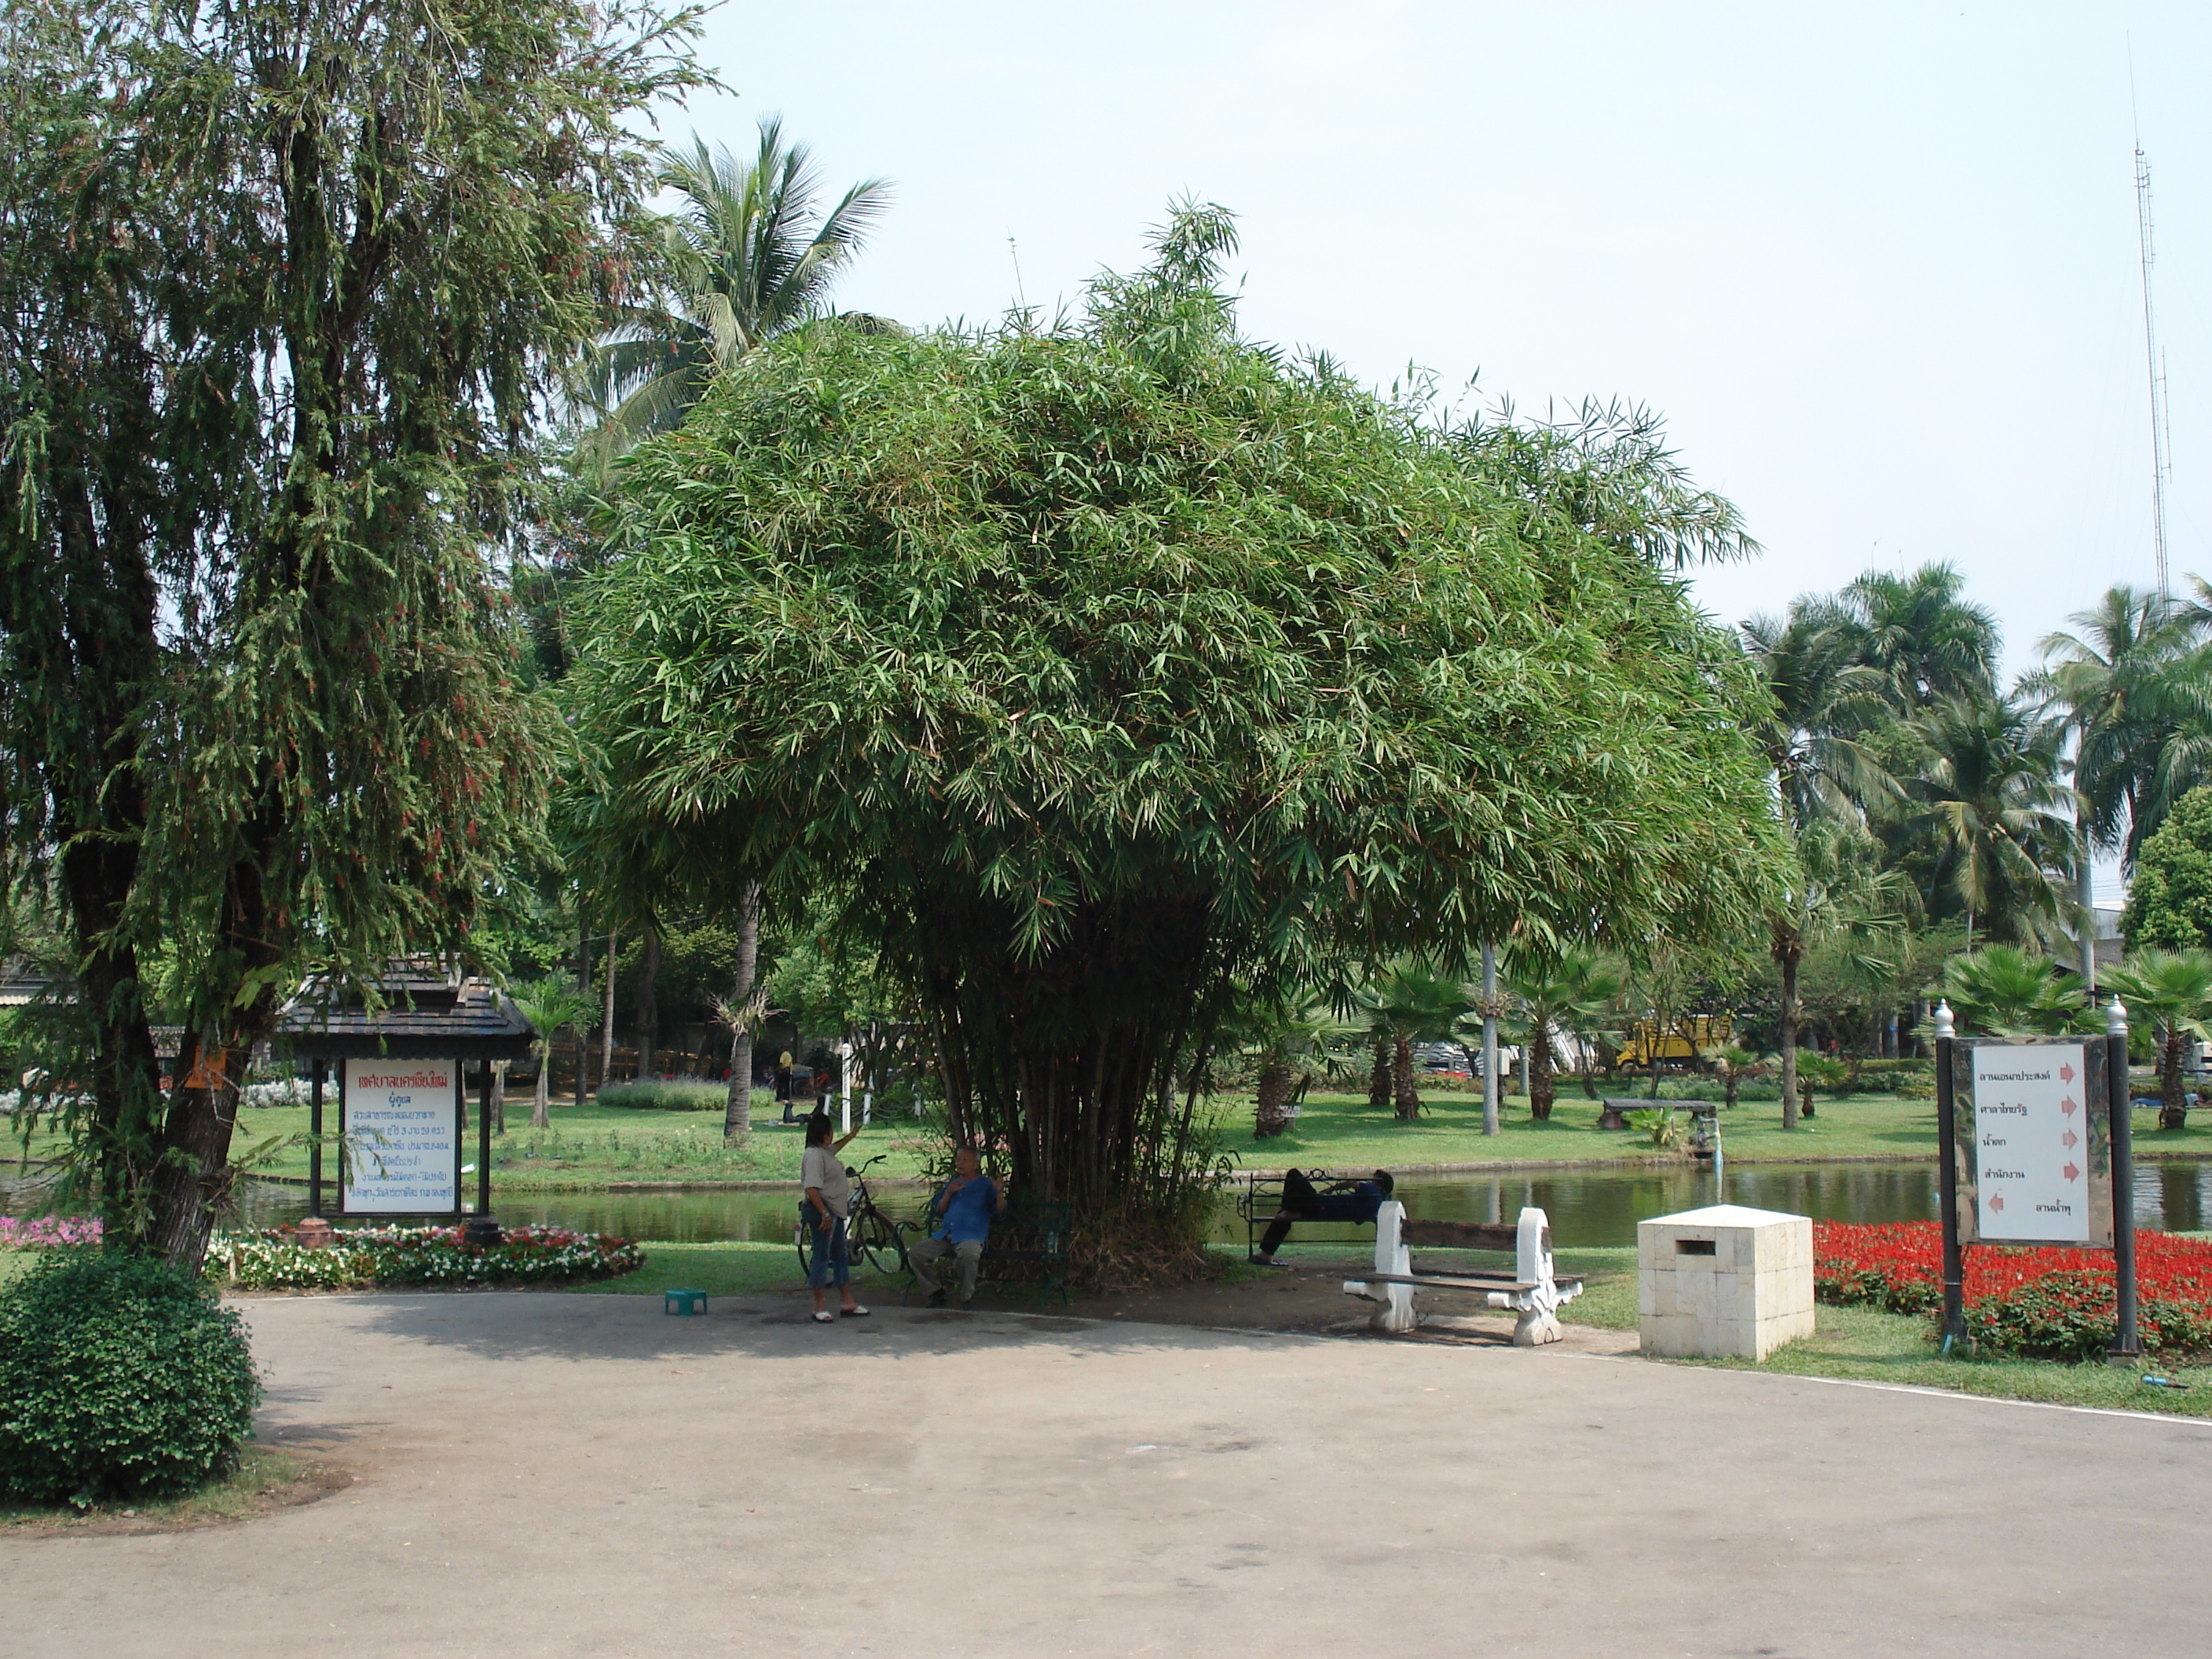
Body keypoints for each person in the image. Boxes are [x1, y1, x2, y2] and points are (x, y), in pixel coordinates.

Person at [908, 1144, 1005, 1308]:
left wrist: (1000, 1192)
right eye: (959, 1159)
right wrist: (949, 1193)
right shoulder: (953, 1183)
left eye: (966, 1160)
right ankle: (936, 1292)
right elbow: (940, 1211)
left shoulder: (985, 1184)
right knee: (916, 1253)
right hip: (946, 1234)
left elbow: (999, 1211)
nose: (960, 1163)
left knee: (968, 1254)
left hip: (970, 1236)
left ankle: (967, 1297)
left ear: (976, 1165)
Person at [800, 1111, 867, 1322]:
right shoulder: (813, 1156)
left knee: (840, 1254)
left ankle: (847, 1301)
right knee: (822, 1256)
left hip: (835, 1212)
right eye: (830, 1132)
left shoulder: (825, 1152)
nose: (832, 1136)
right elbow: (811, 1188)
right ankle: (818, 1305)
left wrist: (852, 1136)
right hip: (823, 1211)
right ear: (823, 1133)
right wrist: (824, 1213)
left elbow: (836, 1147)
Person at [1252, 1168, 1393, 1265]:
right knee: (1285, 1215)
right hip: (1319, 1207)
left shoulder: (1372, 1191)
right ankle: (1267, 1252)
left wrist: (1330, 1190)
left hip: (1319, 1206)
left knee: (1293, 1174)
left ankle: (1290, 1211)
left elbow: (1352, 1183)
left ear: (1379, 1184)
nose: (1370, 1181)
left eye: (1373, 1179)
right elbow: (1360, 1220)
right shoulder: (1378, 1203)